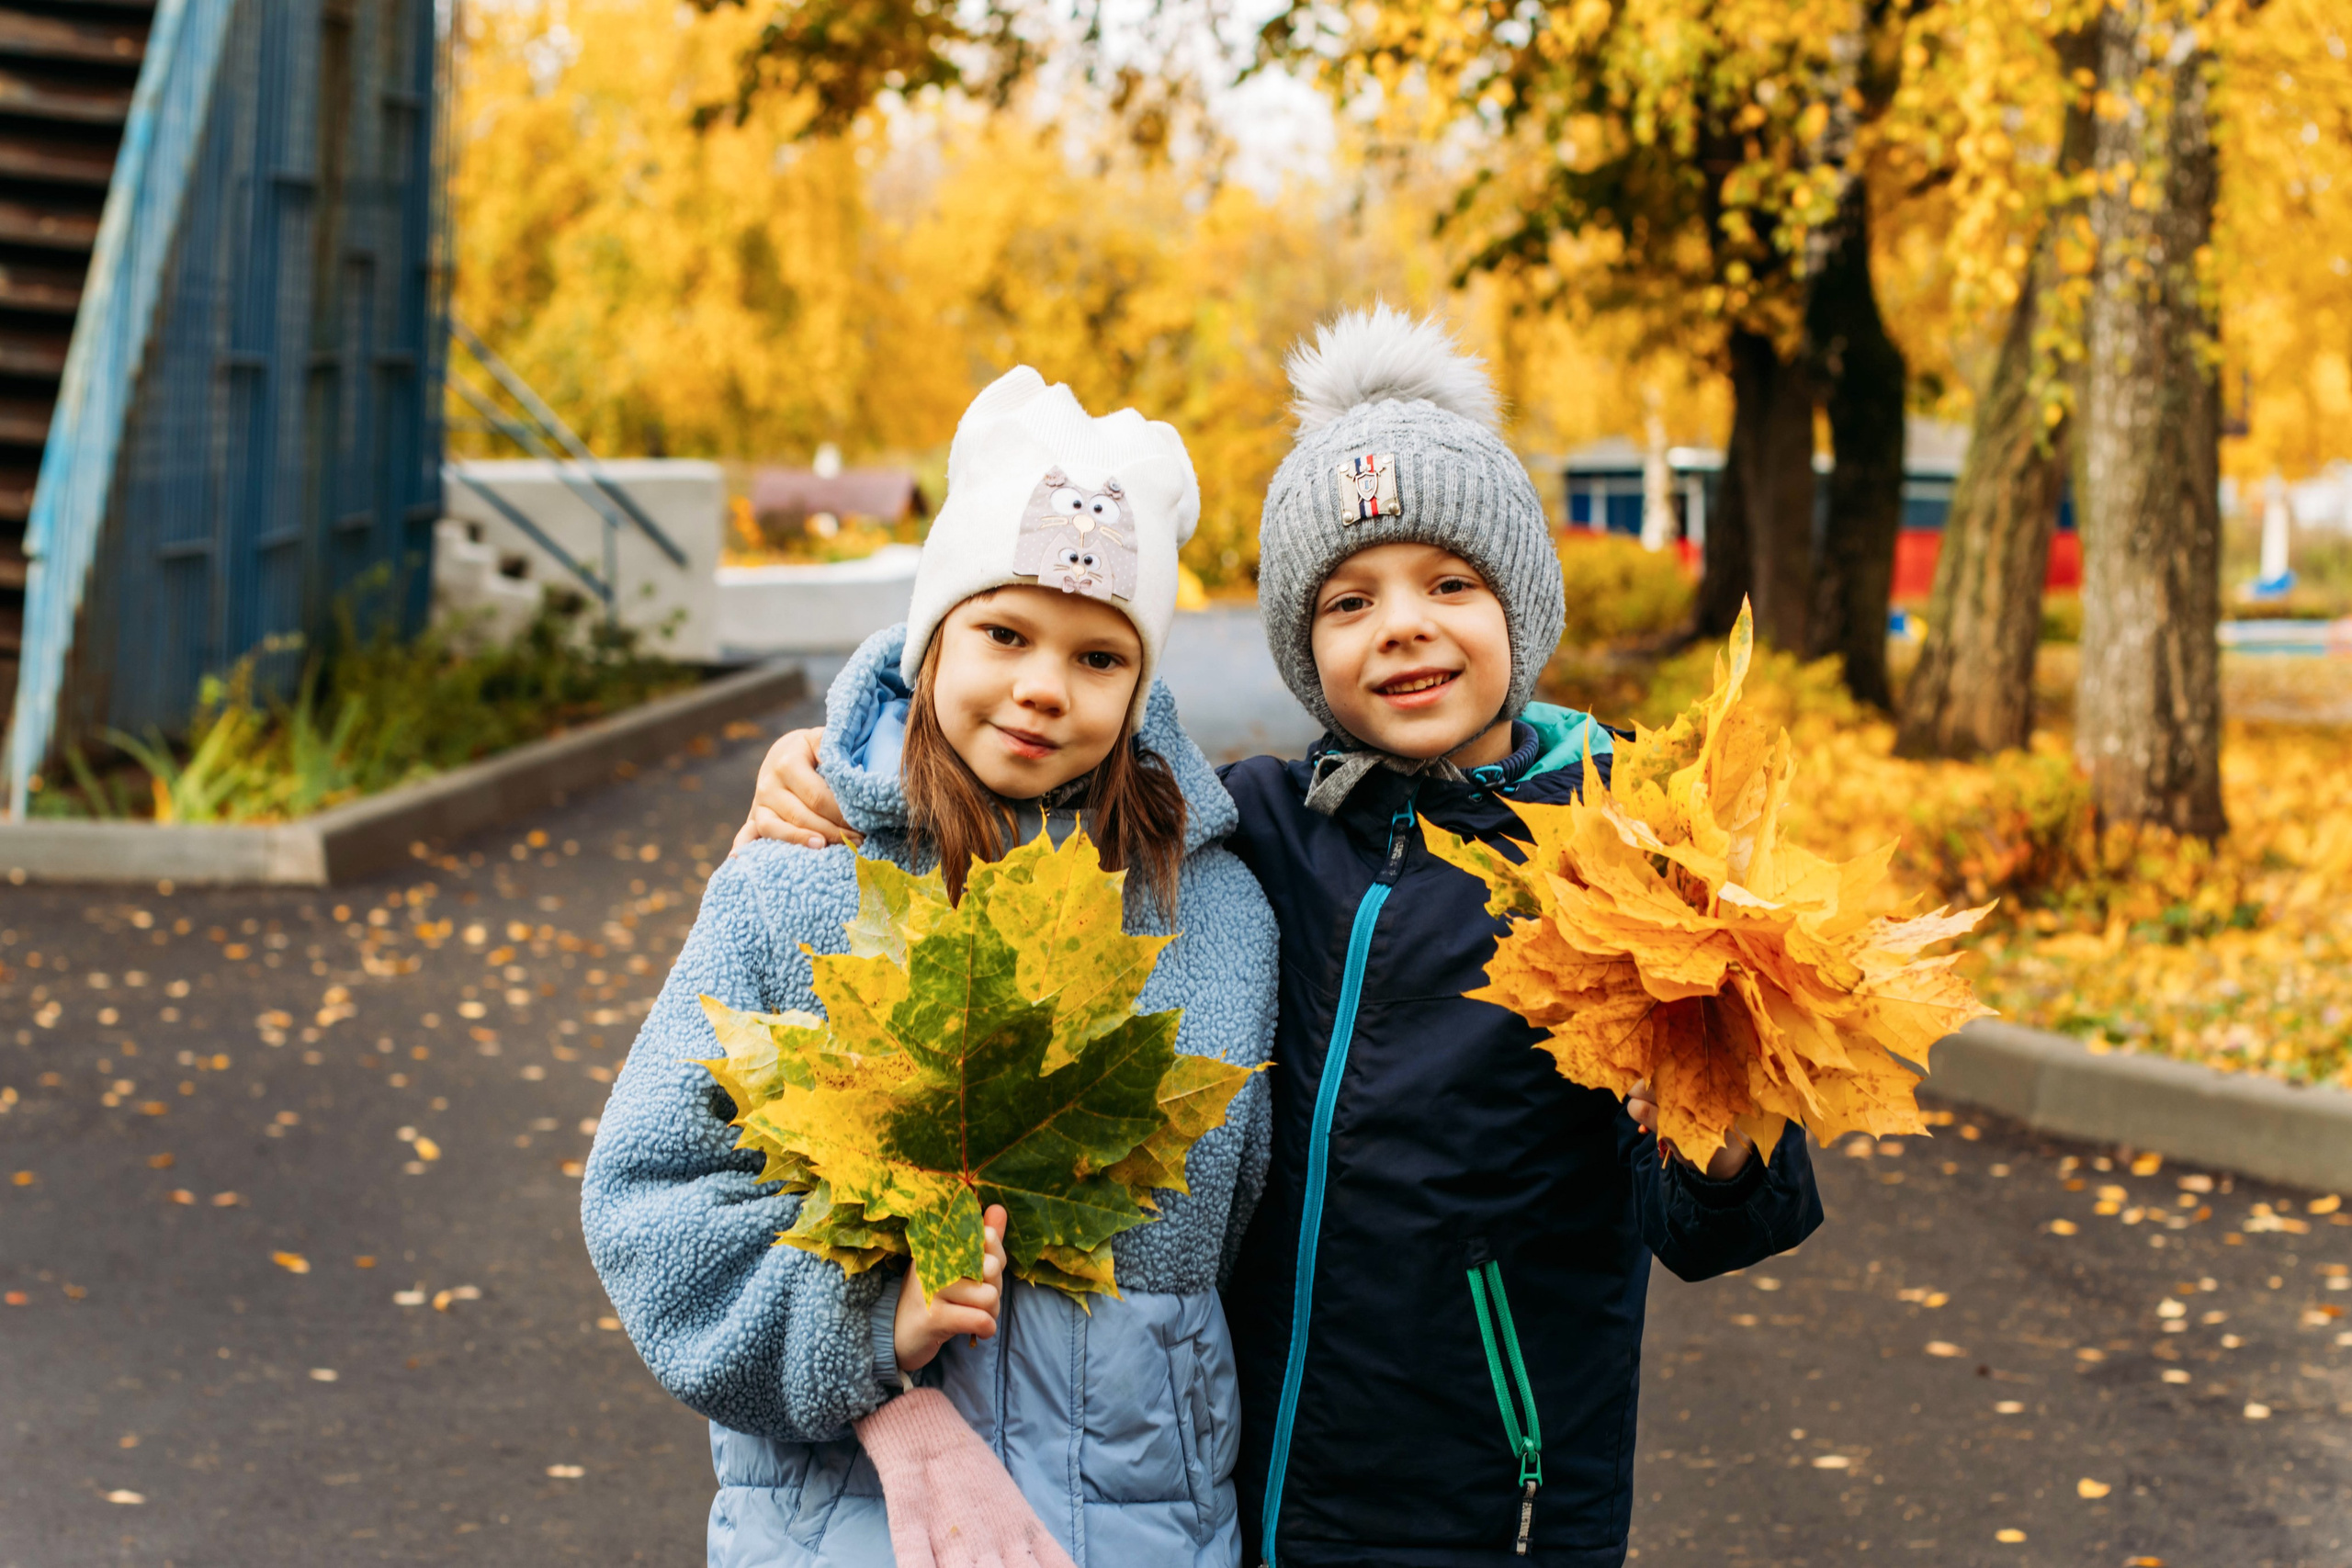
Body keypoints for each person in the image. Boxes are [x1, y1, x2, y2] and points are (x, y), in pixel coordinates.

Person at [733, 308, 1824, 1567]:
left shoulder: (1620, 866)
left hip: (1487, 1501)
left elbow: (1719, 1228)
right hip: (1234, 1483)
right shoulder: (1248, 826)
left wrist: (1727, 1147)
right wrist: (827, 766)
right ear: (1306, 650)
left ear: (1520, 609)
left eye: (1449, 585)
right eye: (1350, 600)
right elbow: (1031, 801)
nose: (1402, 626)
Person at [584, 367, 1279, 1568]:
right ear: (934, 634)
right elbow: (650, 1201)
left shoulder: (1213, 913)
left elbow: (1250, 1235)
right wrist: (860, 1325)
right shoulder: (797, 880)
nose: (1043, 688)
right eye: (1003, 633)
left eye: (1100, 658)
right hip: (850, 1526)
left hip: (1139, 1530)